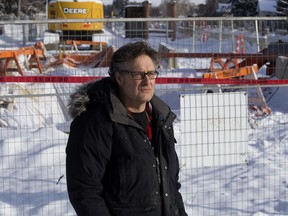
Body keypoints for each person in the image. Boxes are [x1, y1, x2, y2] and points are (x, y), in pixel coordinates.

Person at [66, 41, 188, 216]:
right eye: (138, 74)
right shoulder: (95, 123)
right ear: (119, 78)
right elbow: (85, 191)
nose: (147, 81)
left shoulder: (161, 119)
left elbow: (171, 186)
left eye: (151, 73)